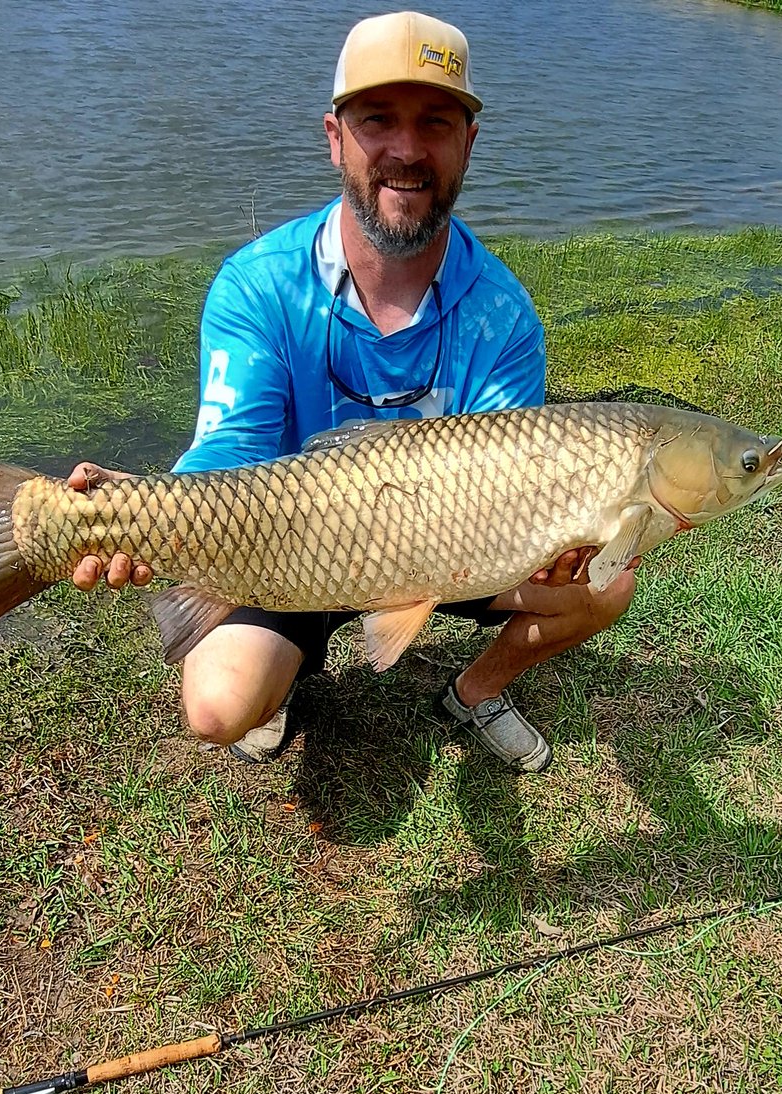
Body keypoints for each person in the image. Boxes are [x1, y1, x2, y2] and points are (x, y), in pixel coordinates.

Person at [68, 11, 636, 773]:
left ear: (468, 143)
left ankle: (475, 692)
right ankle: (286, 674)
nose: (406, 150)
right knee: (218, 705)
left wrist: (559, 552)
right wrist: (139, 510)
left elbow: (512, 492)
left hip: (452, 552)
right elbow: (229, 450)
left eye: (435, 123)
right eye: (378, 121)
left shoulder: (504, 317)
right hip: (283, 548)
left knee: (606, 586)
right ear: (335, 137)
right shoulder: (257, 284)